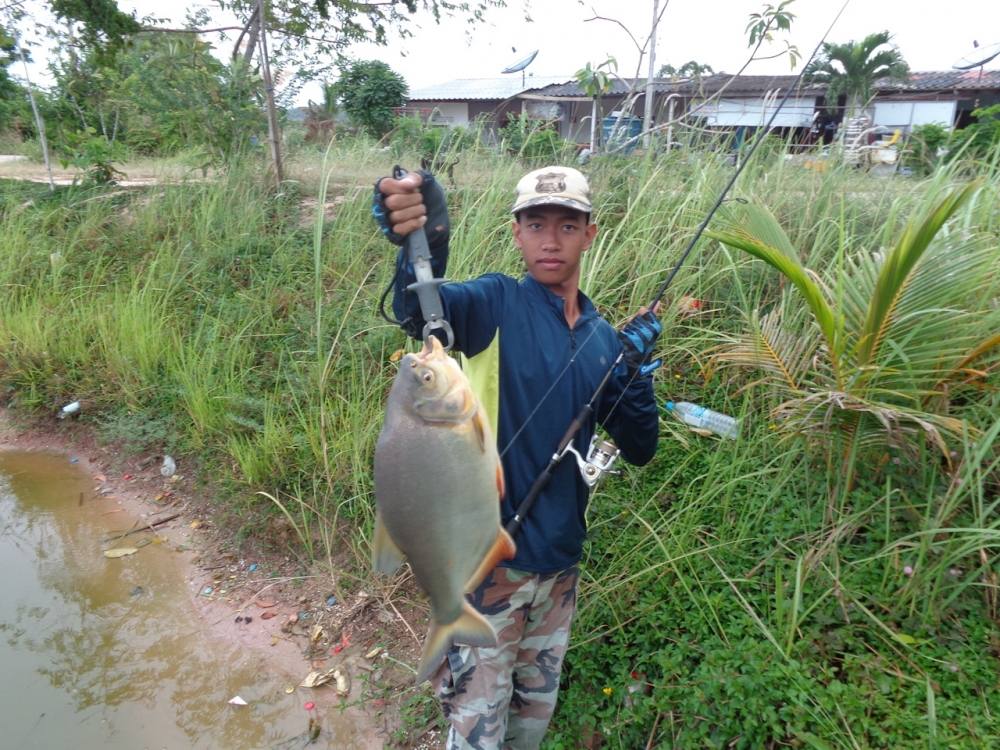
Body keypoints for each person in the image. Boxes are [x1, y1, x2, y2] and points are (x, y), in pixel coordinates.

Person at [373, 165, 661, 749]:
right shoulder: (495, 303)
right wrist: (424, 242)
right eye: (536, 224)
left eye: (566, 225)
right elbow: (420, 314)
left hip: (559, 568)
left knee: (528, 729)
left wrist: (632, 373)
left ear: (590, 233)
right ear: (516, 233)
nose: (551, 240)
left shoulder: (604, 338)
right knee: (478, 733)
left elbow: (641, 448)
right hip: (487, 570)